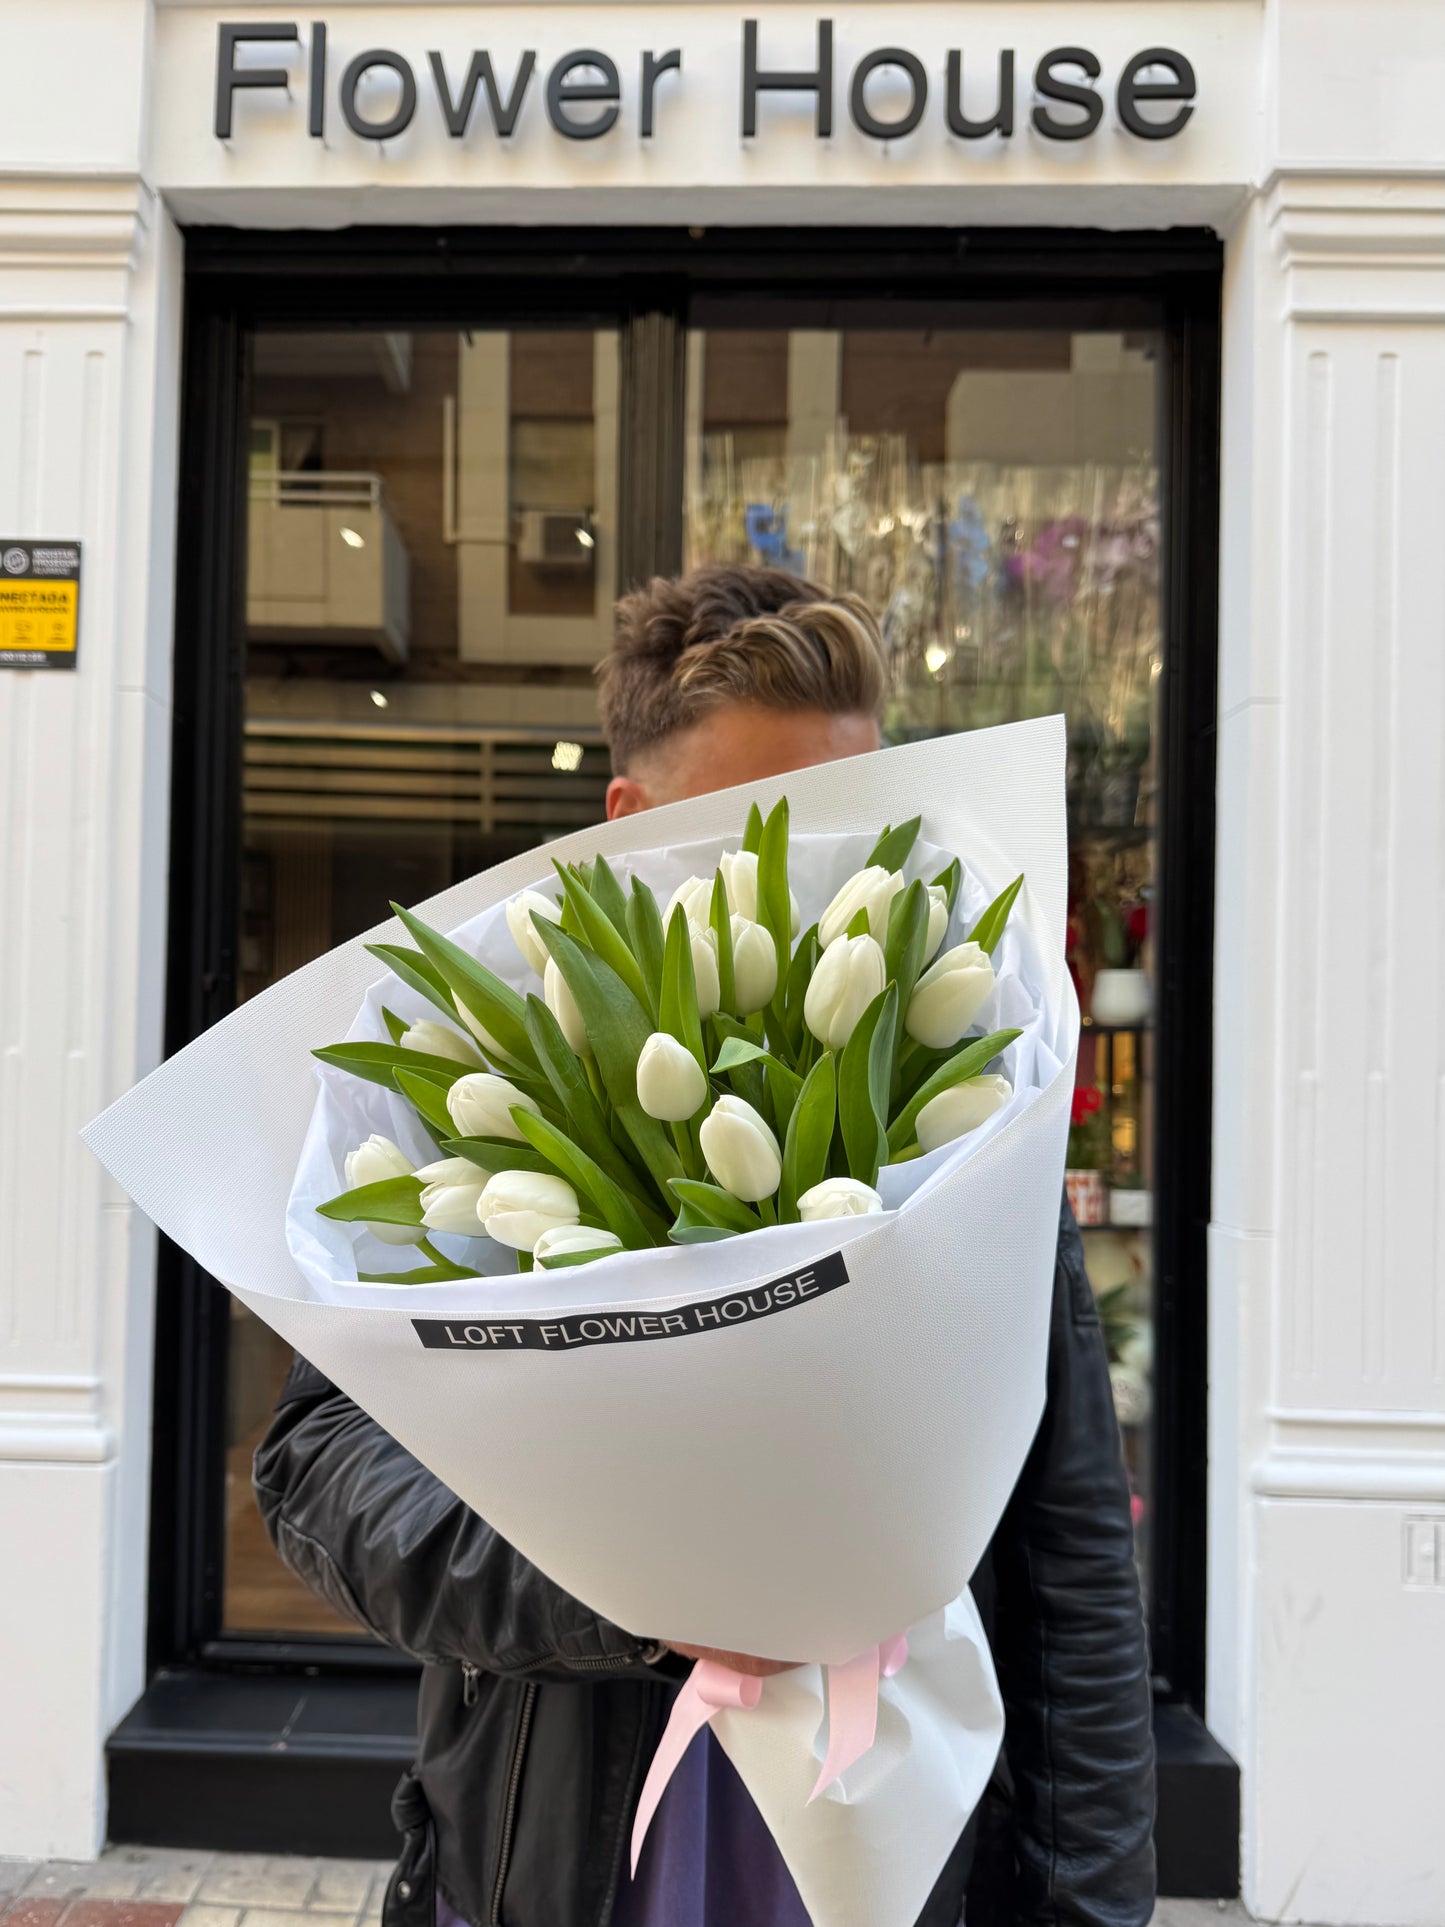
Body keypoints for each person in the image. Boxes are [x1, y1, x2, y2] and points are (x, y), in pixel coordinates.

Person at [254, 564, 1155, 1927]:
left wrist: (1086, 1909)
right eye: (752, 828)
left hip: (894, 1850)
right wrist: (626, 1593)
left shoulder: (967, 1125)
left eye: (853, 824)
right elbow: (321, 1482)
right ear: (623, 822)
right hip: (548, 1864)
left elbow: (1067, 1559)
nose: (809, 878)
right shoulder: (480, 1091)